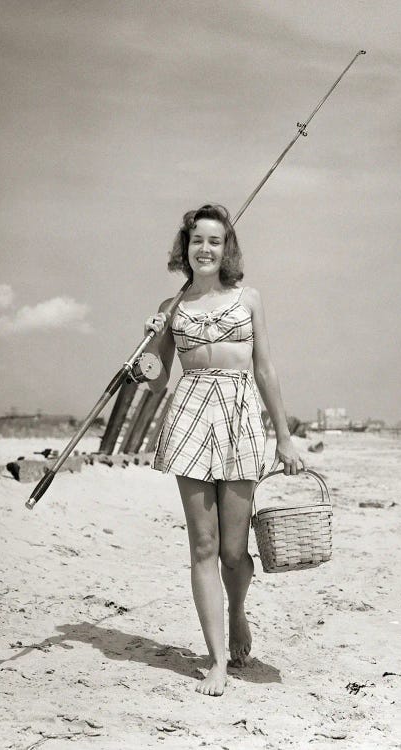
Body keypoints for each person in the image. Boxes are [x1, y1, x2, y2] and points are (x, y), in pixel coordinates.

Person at [144, 204, 303, 697]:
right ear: (185, 247)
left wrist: (284, 435)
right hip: (189, 415)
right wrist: (146, 349)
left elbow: (266, 370)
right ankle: (215, 660)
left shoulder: (248, 298)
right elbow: (155, 380)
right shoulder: (171, 308)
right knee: (203, 547)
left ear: (226, 248)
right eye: (197, 241)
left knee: (234, 552)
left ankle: (237, 610)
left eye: (214, 240)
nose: (205, 248)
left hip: (239, 414)